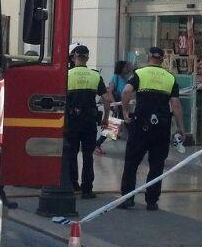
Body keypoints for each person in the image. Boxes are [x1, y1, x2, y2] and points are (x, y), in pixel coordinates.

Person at [119, 47, 184, 211]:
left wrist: (125, 111)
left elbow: (126, 91)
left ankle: (128, 198)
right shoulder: (170, 78)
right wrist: (181, 128)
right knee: (157, 165)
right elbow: (175, 105)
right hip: (161, 127)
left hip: (141, 125)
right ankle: (152, 201)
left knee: (132, 163)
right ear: (162, 59)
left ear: (148, 58)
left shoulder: (139, 74)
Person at [64, 44, 112, 199]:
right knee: (88, 155)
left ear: (74, 57)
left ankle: (72, 184)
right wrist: (105, 118)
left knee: (71, 154)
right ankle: (87, 189)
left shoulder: (67, 74)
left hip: (71, 120)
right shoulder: (95, 76)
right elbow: (106, 99)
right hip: (89, 121)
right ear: (87, 58)